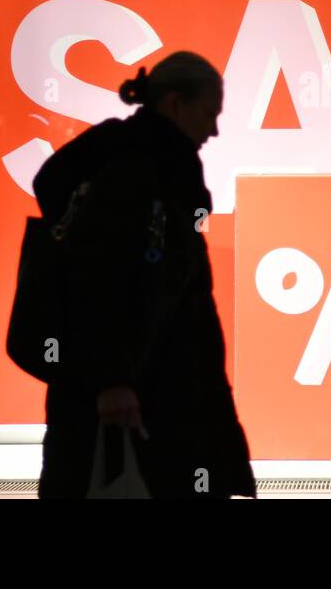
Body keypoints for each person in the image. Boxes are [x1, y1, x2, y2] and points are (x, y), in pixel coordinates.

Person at [32, 51, 256, 499]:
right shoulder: (138, 170)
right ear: (175, 104)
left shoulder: (135, 160)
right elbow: (97, 280)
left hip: (145, 384)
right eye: (209, 113)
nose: (213, 130)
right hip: (145, 391)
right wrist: (114, 380)